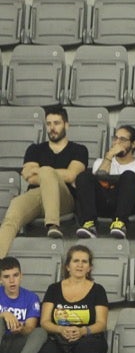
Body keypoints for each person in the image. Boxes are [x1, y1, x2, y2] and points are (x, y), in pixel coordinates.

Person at [0, 106, 88, 256]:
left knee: (47, 171)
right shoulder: (34, 149)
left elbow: (71, 176)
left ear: (66, 125)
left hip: (64, 198)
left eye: (56, 123)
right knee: (13, 212)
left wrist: (42, 171)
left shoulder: (79, 150)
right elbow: (30, 177)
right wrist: (47, 175)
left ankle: (52, 223)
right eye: (49, 124)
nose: (52, 128)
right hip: (37, 195)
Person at [71, 124, 135, 239]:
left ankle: (120, 223)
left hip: (127, 204)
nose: (117, 142)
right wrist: (109, 156)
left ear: (133, 144)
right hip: (103, 202)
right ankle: (89, 224)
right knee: (84, 176)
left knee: (129, 176)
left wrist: (110, 179)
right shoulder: (101, 162)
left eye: (122, 139)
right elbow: (98, 178)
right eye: (115, 138)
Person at [35, 245, 108, 353]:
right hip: (58, 338)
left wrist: (82, 331)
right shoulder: (53, 289)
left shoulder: (98, 290)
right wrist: (60, 329)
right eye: (76, 261)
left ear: (89, 268)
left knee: (86, 350)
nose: (80, 265)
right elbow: (44, 322)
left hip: (88, 338)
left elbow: (101, 324)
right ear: (68, 266)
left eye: (84, 261)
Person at [0, 257, 44, 353]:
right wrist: (4, 314)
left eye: (15, 275)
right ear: (0, 279)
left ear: (21, 276)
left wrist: (21, 329)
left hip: (17, 342)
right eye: (6, 277)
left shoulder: (31, 297)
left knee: (40, 332)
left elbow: (30, 327)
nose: (12, 281)